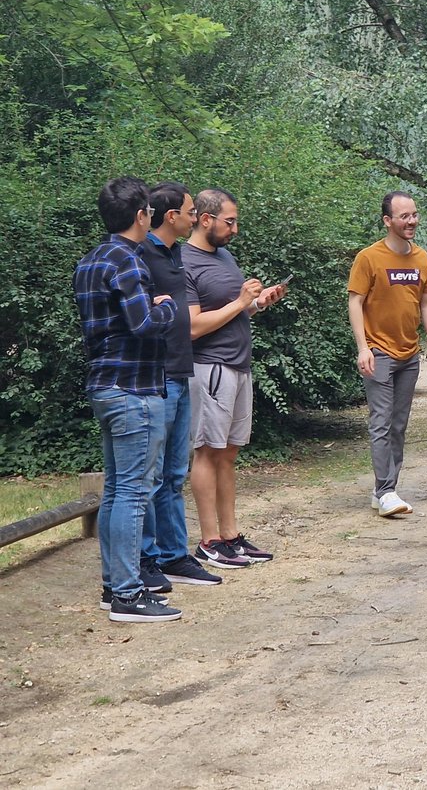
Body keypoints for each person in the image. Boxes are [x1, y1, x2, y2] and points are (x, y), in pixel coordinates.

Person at [73, 176, 182, 623]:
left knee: (119, 492)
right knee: (134, 495)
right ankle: (127, 594)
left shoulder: (89, 261)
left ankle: (113, 586)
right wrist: (167, 306)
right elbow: (143, 324)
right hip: (134, 391)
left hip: (105, 385)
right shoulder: (129, 262)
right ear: (143, 215)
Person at [183, 188, 287, 568]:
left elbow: (232, 311)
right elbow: (192, 326)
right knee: (208, 451)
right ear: (205, 219)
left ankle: (230, 536)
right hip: (210, 367)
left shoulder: (223, 255)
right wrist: (242, 302)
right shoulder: (185, 262)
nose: (235, 229)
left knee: (228, 453)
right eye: (229, 221)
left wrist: (258, 304)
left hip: (239, 364)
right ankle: (208, 540)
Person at [140, 182, 222, 588]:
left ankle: (174, 556)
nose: (195, 218)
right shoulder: (141, 254)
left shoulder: (175, 254)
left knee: (174, 473)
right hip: (155, 377)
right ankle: (148, 558)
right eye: (190, 212)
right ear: (170, 216)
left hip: (181, 370)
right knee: (152, 476)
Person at [348, 191, 427, 517]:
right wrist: (363, 347)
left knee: (398, 425)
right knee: (380, 422)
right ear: (387, 220)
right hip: (378, 352)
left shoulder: (421, 258)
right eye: (404, 216)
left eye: (414, 215)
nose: (412, 221)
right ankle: (387, 490)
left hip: (409, 354)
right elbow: (355, 302)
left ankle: (384, 490)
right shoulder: (368, 258)